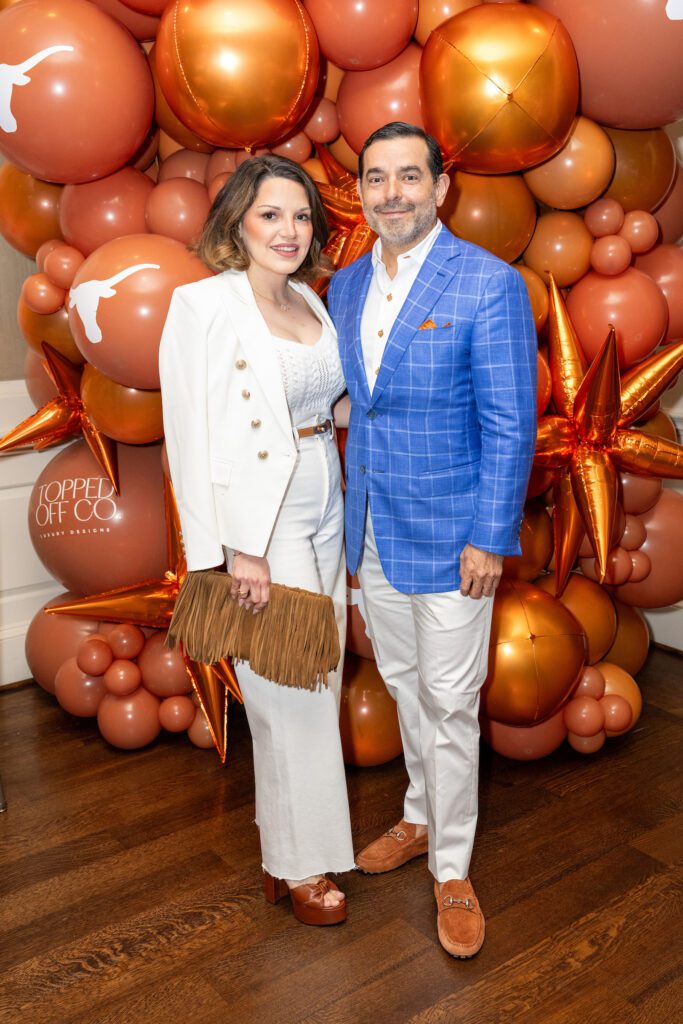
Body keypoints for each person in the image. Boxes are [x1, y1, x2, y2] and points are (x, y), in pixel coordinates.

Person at [327, 122, 537, 957]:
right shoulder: (343, 287)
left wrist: (489, 537)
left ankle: (451, 868)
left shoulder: (487, 284)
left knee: (451, 705)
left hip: (457, 542)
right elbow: (357, 403)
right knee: (409, 687)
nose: (391, 194)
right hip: (373, 528)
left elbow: (509, 422)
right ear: (363, 192)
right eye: (375, 179)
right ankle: (418, 816)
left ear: (439, 187)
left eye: (408, 176)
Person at [159, 155, 354, 926]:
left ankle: (296, 846)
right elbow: (189, 435)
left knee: (320, 680)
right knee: (291, 692)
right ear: (236, 220)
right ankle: (299, 866)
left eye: (301, 216)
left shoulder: (310, 297)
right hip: (261, 521)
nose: (288, 230)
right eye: (270, 214)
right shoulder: (202, 305)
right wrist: (233, 549)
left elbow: (323, 406)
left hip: (324, 496)